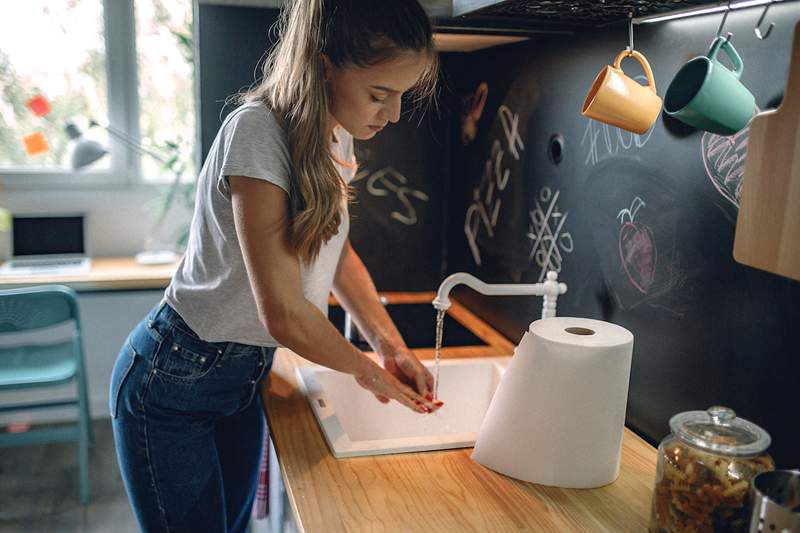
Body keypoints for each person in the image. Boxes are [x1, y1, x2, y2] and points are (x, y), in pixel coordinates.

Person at [109, 0, 442, 531]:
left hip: (244, 375)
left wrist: (391, 347)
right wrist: (366, 371)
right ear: (323, 64)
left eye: (402, 95)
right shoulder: (259, 132)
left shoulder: (336, 135)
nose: (395, 113)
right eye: (380, 94)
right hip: (174, 380)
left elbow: (337, 252)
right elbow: (283, 314)